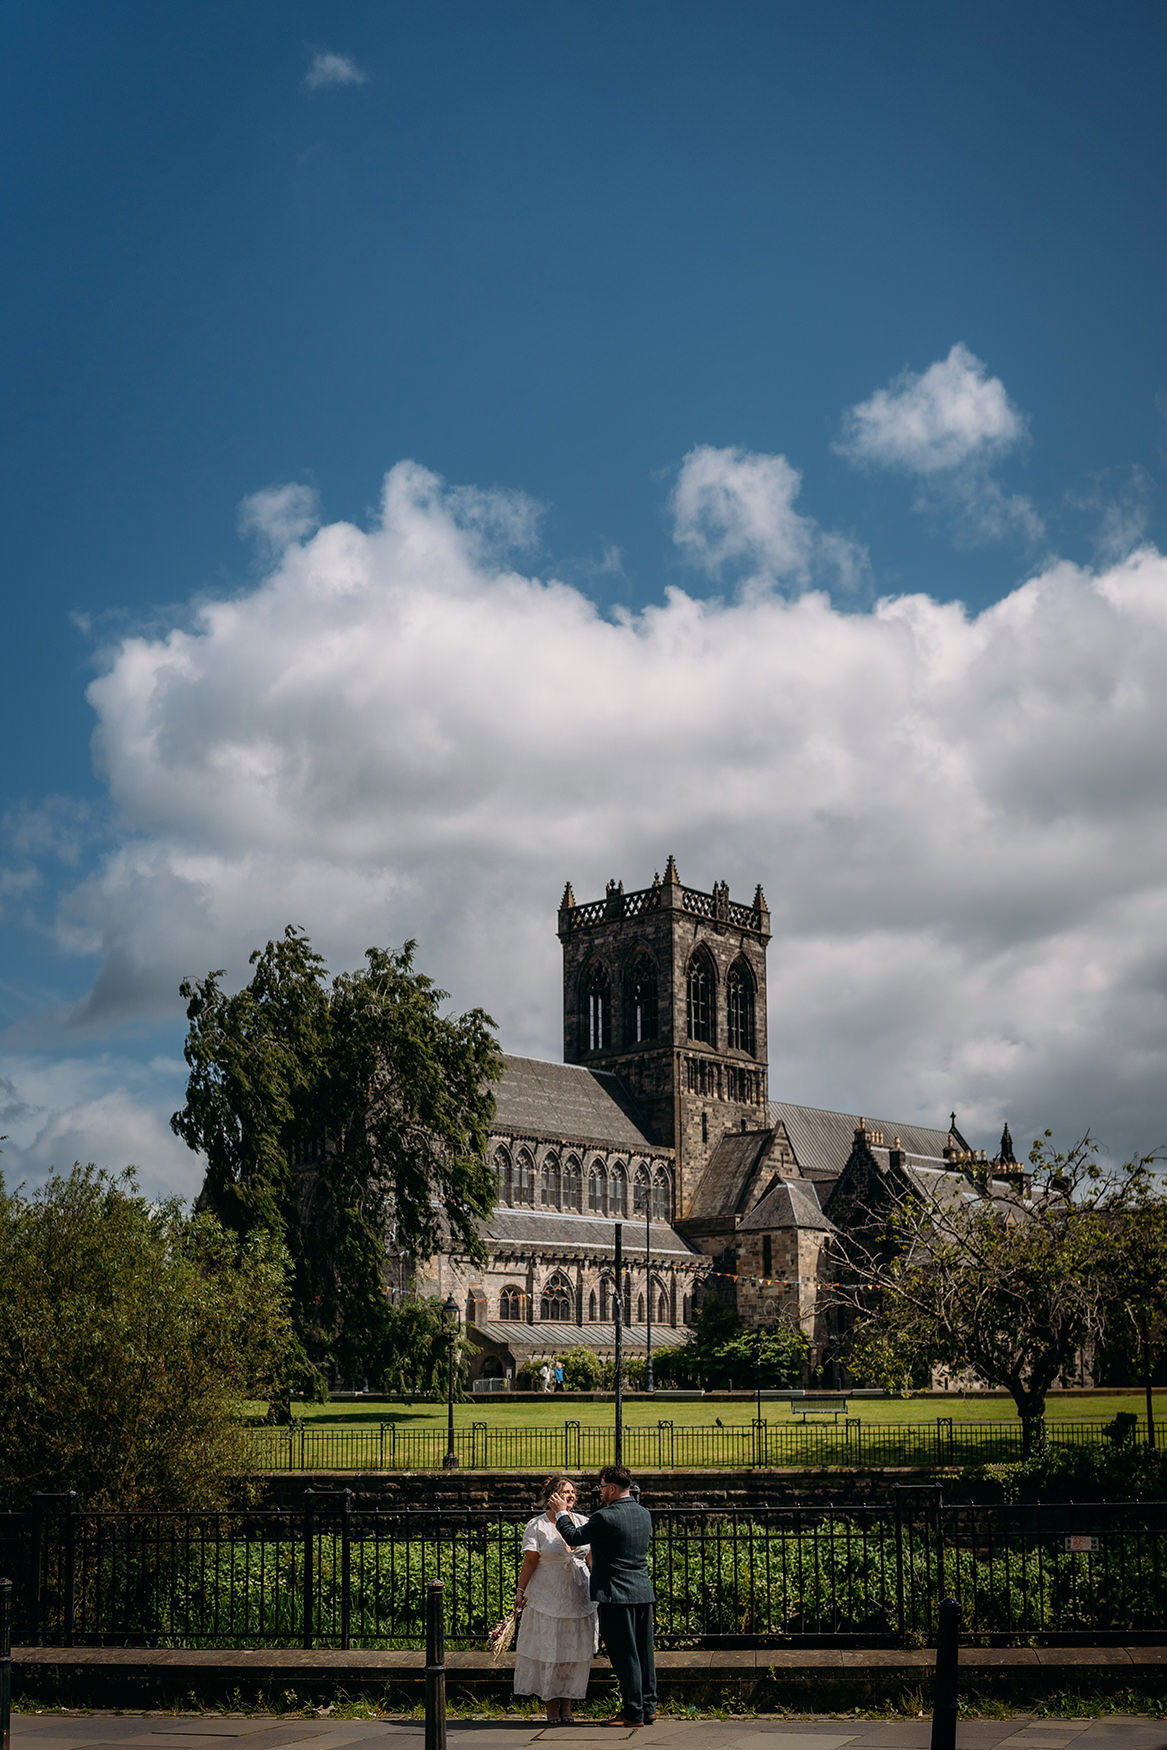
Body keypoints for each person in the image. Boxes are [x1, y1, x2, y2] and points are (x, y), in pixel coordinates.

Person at [551, 1464, 656, 1727]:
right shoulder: (644, 1514)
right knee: (644, 1653)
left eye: (602, 1488)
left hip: (615, 1594)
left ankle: (632, 1712)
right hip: (642, 1591)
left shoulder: (604, 1516)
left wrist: (562, 1513)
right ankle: (648, 1706)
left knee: (624, 1654)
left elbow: (574, 1537)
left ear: (611, 1488)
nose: (600, 1493)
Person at [512, 1474, 598, 1722]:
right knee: (550, 1651)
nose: (571, 1496)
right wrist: (520, 1592)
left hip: (578, 1595)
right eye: (565, 1491)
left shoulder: (584, 1522)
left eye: (573, 1492)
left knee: (572, 1652)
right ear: (552, 1497)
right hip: (547, 1596)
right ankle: (550, 1706)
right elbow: (530, 1561)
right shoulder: (537, 1526)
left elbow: (592, 1560)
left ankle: (568, 1705)